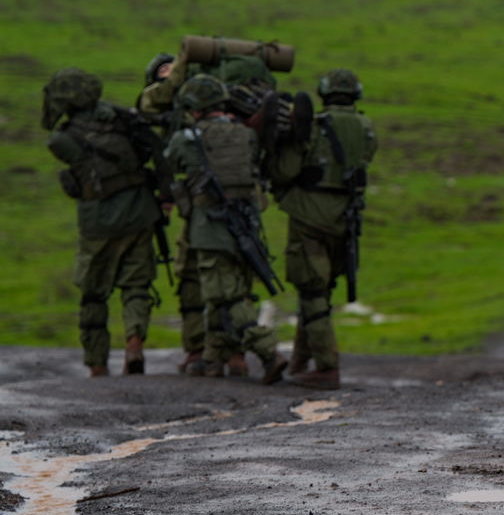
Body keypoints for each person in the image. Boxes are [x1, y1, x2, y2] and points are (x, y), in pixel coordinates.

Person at [164, 75, 287, 383]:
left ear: (194, 107)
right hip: (246, 225)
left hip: (210, 228)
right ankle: (214, 359)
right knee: (230, 293)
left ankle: (268, 352)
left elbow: (170, 163)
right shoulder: (246, 135)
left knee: (225, 297)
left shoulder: (188, 137)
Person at [43, 68, 164, 376]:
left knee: (94, 292)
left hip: (98, 222)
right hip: (139, 212)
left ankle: (97, 364)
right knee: (136, 285)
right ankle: (134, 343)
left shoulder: (62, 139)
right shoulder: (123, 119)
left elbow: (74, 177)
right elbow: (153, 148)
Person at [268, 69, 376, 390]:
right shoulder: (366, 128)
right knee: (321, 291)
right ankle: (302, 359)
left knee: (312, 289)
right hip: (345, 218)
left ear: (324, 94)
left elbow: (287, 171)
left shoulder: (314, 127)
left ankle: (327, 367)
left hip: (308, 215)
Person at [138, 51, 205, 372]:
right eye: (163, 68)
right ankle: (197, 348)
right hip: (181, 189)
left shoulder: (203, 95)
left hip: (212, 191)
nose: (170, 72)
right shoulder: (154, 98)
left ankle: (225, 351)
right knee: (189, 270)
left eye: (174, 67)